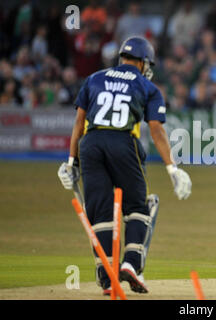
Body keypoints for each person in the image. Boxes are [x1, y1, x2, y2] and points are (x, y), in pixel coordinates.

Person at [57, 36, 192, 294]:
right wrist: (172, 168)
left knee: (100, 212)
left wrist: (71, 162)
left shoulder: (94, 79)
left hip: (90, 145)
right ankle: (130, 264)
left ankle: (107, 276)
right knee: (137, 207)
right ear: (142, 62)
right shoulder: (147, 87)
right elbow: (156, 131)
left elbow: (78, 124)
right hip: (123, 143)